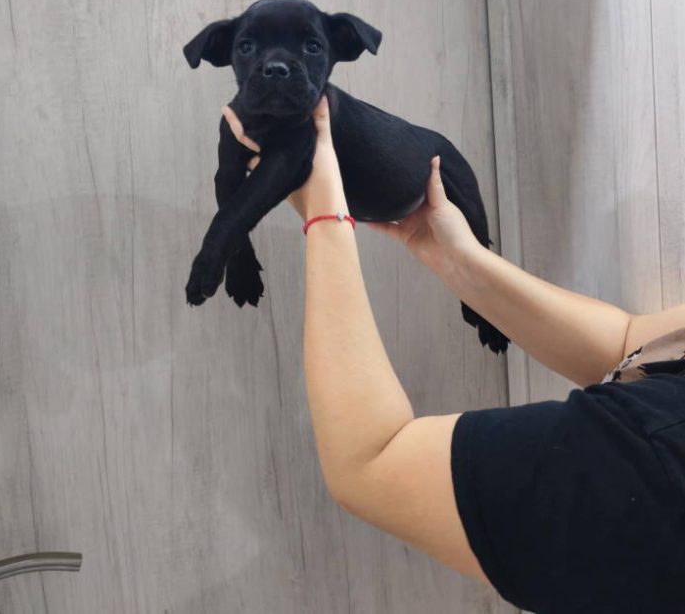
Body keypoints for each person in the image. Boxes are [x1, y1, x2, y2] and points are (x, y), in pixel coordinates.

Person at [222, 94, 685, 613]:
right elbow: (636, 347)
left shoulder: (657, 470)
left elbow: (371, 464)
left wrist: (323, 214)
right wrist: (457, 258)